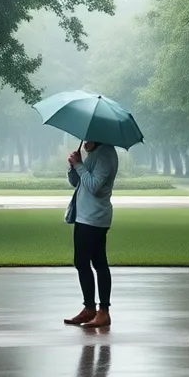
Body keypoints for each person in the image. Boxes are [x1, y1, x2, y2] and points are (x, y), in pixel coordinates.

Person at [63, 139, 118, 328]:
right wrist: (74, 166)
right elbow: (78, 183)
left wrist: (79, 164)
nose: (86, 140)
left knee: (94, 263)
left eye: (89, 137)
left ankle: (102, 311)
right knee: (86, 262)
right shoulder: (95, 153)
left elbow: (94, 186)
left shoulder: (106, 154)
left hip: (93, 218)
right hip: (85, 216)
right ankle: (90, 309)